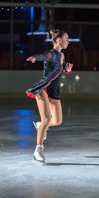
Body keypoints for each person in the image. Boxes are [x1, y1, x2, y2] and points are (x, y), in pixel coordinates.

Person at [26, 29, 73, 163]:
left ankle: (41, 125)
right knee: (47, 119)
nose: (68, 42)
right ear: (59, 40)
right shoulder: (51, 54)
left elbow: (59, 70)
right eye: (66, 39)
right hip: (43, 88)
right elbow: (43, 56)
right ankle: (38, 150)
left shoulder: (62, 55)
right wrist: (36, 57)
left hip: (54, 90)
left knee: (57, 121)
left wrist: (67, 70)